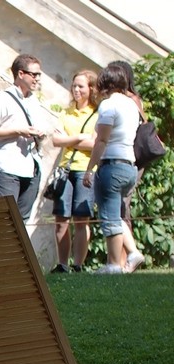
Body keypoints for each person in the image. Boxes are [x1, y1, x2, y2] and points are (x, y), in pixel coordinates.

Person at [82, 65, 144, 274]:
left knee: (109, 216)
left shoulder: (109, 105)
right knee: (116, 213)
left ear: (104, 84)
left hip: (112, 164)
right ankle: (133, 252)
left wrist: (89, 169)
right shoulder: (131, 105)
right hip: (129, 166)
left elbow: (102, 140)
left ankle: (114, 265)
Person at [0, 53, 50, 222]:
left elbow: (40, 129)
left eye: (39, 75)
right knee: (4, 219)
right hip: (8, 167)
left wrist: (41, 134)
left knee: (22, 221)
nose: (37, 79)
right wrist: (18, 131)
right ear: (21, 74)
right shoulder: (1, 98)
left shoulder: (34, 101)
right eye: (34, 74)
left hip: (32, 167)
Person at [50, 70, 99, 273]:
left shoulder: (97, 114)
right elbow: (56, 140)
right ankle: (63, 264)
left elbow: (95, 144)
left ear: (91, 89)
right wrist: (79, 138)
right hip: (65, 169)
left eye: (81, 86)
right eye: (74, 85)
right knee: (61, 219)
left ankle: (78, 265)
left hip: (85, 169)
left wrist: (69, 140)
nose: (76, 90)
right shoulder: (66, 113)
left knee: (81, 219)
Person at [108, 60, 147, 271]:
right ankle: (122, 260)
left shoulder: (129, 100)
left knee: (121, 208)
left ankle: (125, 261)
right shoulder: (132, 100)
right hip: (130, 159)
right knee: (121, 208)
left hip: (128, 158)